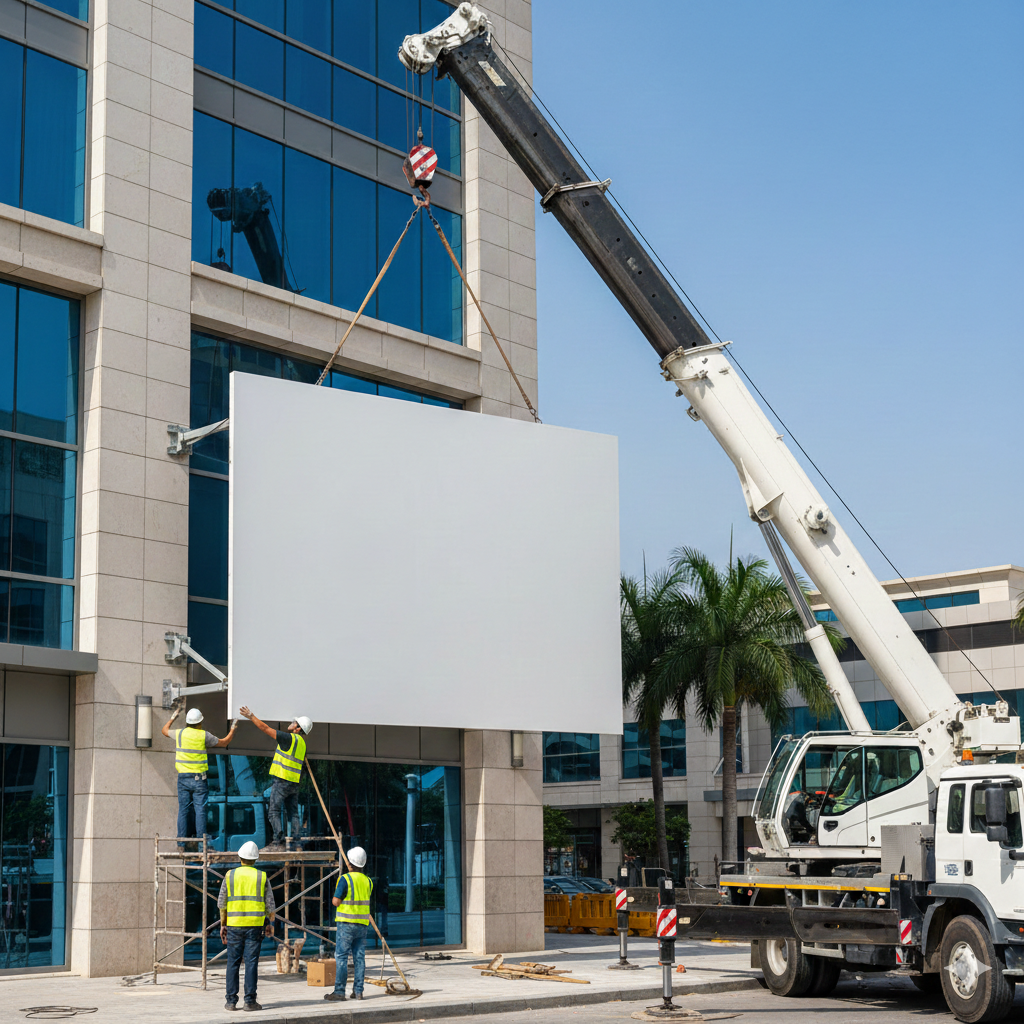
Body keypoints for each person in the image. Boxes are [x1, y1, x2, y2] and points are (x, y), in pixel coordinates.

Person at [161, 706, 238, 847]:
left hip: (183, 778)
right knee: (200, 810)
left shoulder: (179, 734)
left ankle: (181, 843)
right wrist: (233, 727)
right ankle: (202, 840)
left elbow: (164, 731)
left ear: (188, 722)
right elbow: (225, 742)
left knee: (183, 809)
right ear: (199, 722)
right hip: (199, 779)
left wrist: (173, 717)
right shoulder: (203, 735)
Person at [238, 707, 312, 851]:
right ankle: (297, 843)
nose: (291, 723)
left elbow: (265, 728)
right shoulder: (302, 744)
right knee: (293, 813)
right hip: (294, 783)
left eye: (294, 722)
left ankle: (278, 842)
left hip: (282, 781)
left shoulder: (288, 738)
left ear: (297, 728)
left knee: (274, 811)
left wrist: (251, 716)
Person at [218, 840, 276, 1012]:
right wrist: (270, 923)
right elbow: (270, 906)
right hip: (255, 927)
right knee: (251, 963)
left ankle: (230, 1001)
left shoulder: (230, 875)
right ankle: (250, 1001)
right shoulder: (261, 876)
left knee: (232, 963)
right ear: (255, 859)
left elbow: (222, 903)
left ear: (240, 857)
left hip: (234, 926)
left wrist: (223, 924)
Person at [324, 846, 373, 1002]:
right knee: (359, 958)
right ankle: (358, 991)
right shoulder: (368, 881)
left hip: (346, 924)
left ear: (349, 863)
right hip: (362, 925)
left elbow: (336, 901)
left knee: (342, 957)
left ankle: (339, 991)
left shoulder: (345, 879)